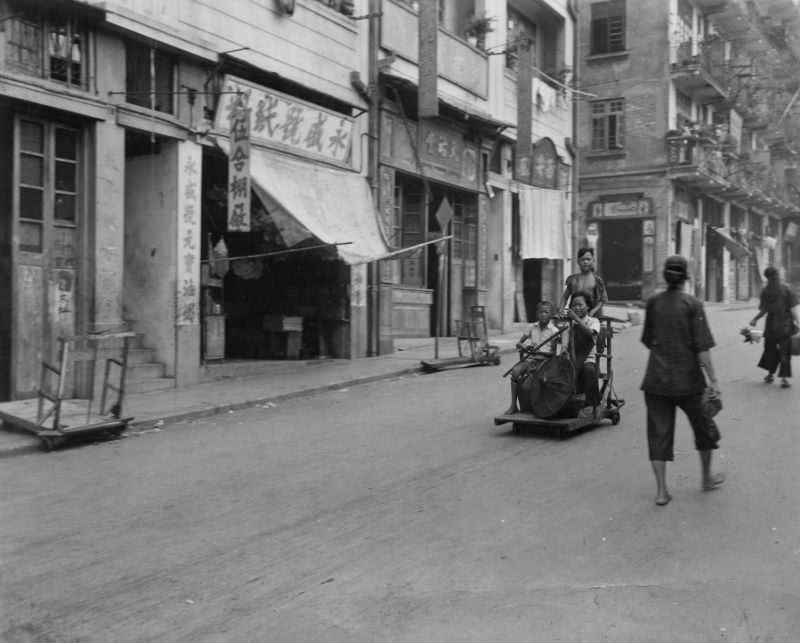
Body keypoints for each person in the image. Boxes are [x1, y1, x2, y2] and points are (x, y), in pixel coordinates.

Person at [641, 255, 724, 507]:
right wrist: (714, 381)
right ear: (686, 277)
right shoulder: (693, 304)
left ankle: (661, 491)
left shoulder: (653, 302)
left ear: (665, 276)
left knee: (658, 434)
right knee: (704, 428)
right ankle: (706, 478)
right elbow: (702, 349)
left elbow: (648, 340)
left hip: (656, 380)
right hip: (689, 381)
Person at [504, 301, 561, 415]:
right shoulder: (531, 327)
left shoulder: (554, 331)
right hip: (530, 359)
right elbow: (519, 343)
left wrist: (539, 351)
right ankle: (513, 405)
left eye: (546, 312)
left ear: (551, 315)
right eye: (540, 312)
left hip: (545, 362)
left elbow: (553, 354)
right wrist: (523, 346)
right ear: (537, 314)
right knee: (515, 372)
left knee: (527, 385)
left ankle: (535, 407)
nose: (543, 314)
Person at [749, 267, 799, 389]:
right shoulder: (787, 289)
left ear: (767, 277)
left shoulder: (766, 291)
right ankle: (784, 379)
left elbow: (763, 310)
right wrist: (798, 322)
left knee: (770, 350)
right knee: (785, 351)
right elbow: (793, 309)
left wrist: (755, 319)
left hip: (771, 326)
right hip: (785, 326)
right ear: (778, 275)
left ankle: (770, 375)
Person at [561, 291, 601, 415]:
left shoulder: (593, 321)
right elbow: (564, 344)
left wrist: (576, 319)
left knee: (589, 371)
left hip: (587, 360)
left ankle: (592, 404)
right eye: (574, 305)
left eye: (580, 305)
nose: (577, 308)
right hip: (571, 361)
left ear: (588, 306)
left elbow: (591, 333)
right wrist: (564, 351)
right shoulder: (568, 324)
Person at [560, 247, 608, 318]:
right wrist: (561, 310)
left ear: (593, 260)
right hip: (574, 316)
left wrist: (593, 311)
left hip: (591, 318)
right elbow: (565, 296)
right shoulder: (573, 279)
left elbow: (603, 299)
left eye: (588, 259)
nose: (585, 262)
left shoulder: (597, 280)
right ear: (578, 261)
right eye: (582, 259)